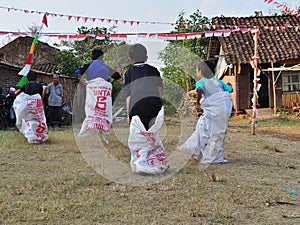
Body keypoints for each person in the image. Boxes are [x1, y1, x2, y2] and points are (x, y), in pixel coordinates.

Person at [124, 43, 168, 174]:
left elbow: (128, 95)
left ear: (130, 59)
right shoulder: (154, 70)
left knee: (139, 135)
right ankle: (152, 158)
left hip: (137, 105)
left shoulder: (129, 72)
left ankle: (141, 159)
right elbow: (160, 91)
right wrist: (158, 106)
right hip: (154, 104)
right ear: (147, 57)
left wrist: (129, 114)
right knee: (151, 132)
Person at [179, 60, 233, 165]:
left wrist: (198, 104)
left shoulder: (201, 82)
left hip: (213, 111)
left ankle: (201, 153)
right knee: (217, 133)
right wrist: (229, 85)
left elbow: (199, 90)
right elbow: (230, 90)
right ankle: (215, 155)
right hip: (223, 110)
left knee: (203, 129)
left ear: (200, 72)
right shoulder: (218, 81)